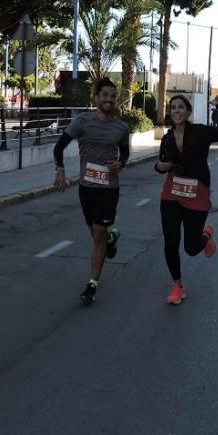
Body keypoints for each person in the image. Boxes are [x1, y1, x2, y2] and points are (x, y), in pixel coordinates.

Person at [154, 94, 218, 305]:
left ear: (188, 111)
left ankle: (206, 235)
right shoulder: (167, 138)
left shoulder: (201, 132)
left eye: (181, 107)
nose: (176, 111)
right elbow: (161, 163)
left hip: (197, 193)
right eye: (173, 108)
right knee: (170, 242)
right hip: (172, 193)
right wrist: (159, 167)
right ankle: (177, 285)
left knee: (191, 248)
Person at [52, 77, 130, 305]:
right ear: (96, 98)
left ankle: (92, 284)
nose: (109, 100)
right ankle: (111, 237)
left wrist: (121, 164)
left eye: (113, 96)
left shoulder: (121, 127)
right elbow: (59, 146)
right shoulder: (82, 122)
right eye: (105, 95)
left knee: (97, 233)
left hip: (109, 189)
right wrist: (60, 170)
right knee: (97, 235)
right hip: (86, 189)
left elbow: (124, 154)